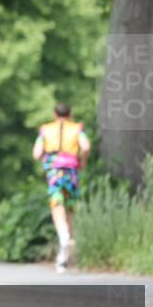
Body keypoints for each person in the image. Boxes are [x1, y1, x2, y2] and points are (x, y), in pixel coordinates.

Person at [32, 102, 90, 273]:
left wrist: (44, 159)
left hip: (54, 172)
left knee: (57, 206)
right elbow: (85, 146)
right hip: (71, 171)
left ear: (54, 115)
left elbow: (36, 153)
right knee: (69, 208)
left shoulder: (45, 130)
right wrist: (83, 161)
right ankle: (63, 259)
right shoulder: (77, 129)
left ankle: (64, 237)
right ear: (70, 114)